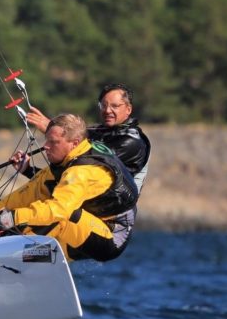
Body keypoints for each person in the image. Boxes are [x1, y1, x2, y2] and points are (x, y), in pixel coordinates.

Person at [14, 83, 151, 257]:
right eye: (103, 105)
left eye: (115, 106)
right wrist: (28, 169)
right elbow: (66, 178)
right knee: (34, 250)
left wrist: (56, 130)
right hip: (85, 215)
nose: (108, 110)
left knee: (53, 216)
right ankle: (12, 261)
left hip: (110, 227)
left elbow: (83, 167)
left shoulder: (132, 143)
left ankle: (20, 257)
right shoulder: (97, 133)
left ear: (129, 109)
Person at [0, 113, 138, 263]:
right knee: (46, 205)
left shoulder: (81, 172)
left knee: (60, 215)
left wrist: (13, 218)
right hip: (82, 228)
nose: (46, 146)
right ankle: (20, 257)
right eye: (47, 140)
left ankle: (15, 256)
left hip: (110, 236)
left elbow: (58, 210)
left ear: (74, 143)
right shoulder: (70, 160)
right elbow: (37, 187)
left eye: (53, 142)